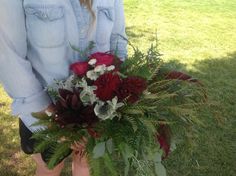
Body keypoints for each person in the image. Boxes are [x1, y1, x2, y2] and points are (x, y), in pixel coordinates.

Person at [0, 0, 127, 175]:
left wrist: (114, 99)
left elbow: (118, 42)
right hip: (41, 109)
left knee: (85, 163)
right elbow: (9, 56)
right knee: (50, 168)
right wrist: (52, 118)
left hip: (97, 111)